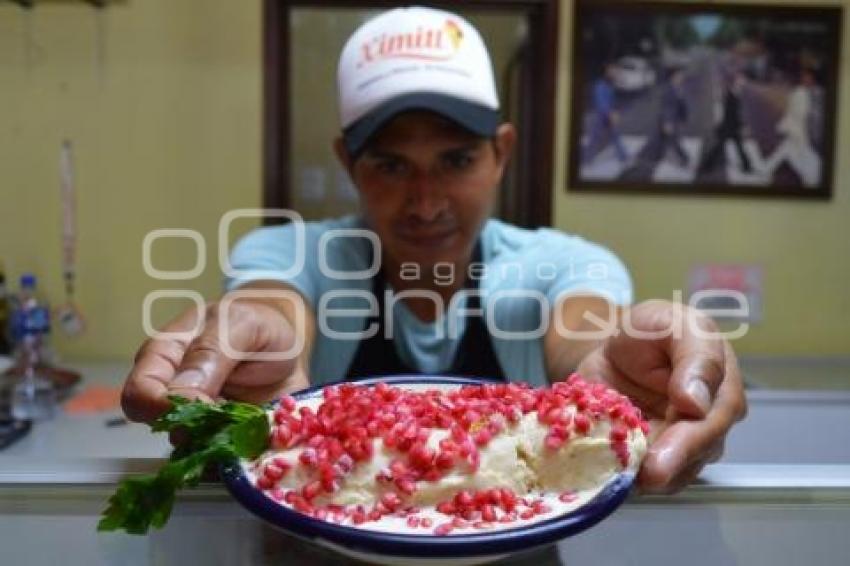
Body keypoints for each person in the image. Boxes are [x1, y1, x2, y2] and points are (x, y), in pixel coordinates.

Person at [121, 6, 746, 495]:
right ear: (348, 162)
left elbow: (586, 331)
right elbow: (272, 306)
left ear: (500, 152)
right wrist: (255, 334)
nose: (425, 202)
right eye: (391, 164)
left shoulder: (564, 264)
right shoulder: (290, 253)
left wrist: (613, 363)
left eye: (456, 160)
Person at [762, 67, 820, 188]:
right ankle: (809, 178)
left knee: (786, 150)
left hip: (795, 128)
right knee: (800, 153)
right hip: (796, 129)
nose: (809, 80)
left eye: (810, 78)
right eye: (807, 78)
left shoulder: (801, 92)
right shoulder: (801, 92)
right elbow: (798, 113)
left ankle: (767, 169)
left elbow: (797, 112)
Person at [698, 71, 752, 175]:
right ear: (736, 82)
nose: (743, 82)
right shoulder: (731, 95)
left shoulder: (736, 93)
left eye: (743, 80)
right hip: (728, 127)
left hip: (732, 127)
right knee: (719, 148)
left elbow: (736, 113)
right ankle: (706, 166)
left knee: (739, 147)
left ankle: (747, 166)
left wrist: (741, 125)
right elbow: (733, 114)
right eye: (741, 80)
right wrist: (742, 126)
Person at [581, 63, 629, 165]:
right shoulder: (601, 85)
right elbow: (601, 103)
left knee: (614, 136)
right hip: (601, 116)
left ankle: (623, 157)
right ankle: (587, 159)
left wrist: (615, 112)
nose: (615, 72)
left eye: (615, 70)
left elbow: (617, 99)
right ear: (606, 71)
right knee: (595, 138)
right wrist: (610, 114)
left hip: (608, 114)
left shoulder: (611, 83)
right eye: (613, 70)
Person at [653, 67, 690, 167]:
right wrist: (667, 122)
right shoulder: (669, 90)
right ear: (673, 77)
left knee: (662, 138)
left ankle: (656, 156)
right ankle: (684, 159)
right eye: (679, 75)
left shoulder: (678, 87)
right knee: (674, 140)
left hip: (674, 119)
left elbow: (682, 105)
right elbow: (667, 107)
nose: (682, 77)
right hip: (669, 120)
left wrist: (684, 118)